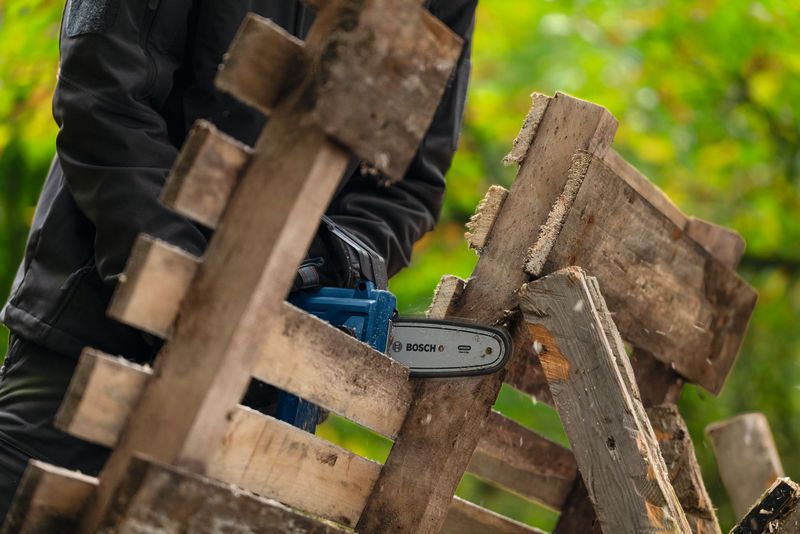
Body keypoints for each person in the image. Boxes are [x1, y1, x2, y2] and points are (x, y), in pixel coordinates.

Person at [0, 0, 476, 521]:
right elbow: (103, 93)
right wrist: (190, 281)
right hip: (93, 325)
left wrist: (312, 273)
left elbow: (407, 184)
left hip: (259, 395)